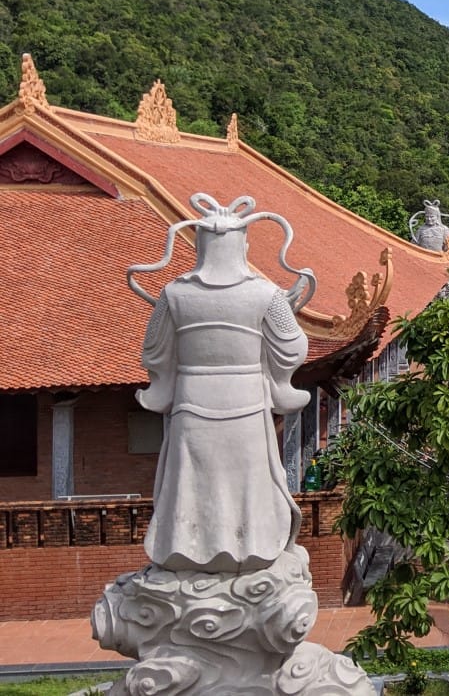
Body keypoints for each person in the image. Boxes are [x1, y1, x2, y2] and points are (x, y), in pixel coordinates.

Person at [128, 193, 316, 573]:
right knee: (248, 481)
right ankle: (253, 547)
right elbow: (293, 349)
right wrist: (286, 316)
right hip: (246, 401)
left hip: (191, 403)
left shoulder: (173, 294)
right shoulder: (265, 294)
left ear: (198, 244)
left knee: (191, 482)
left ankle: (185, 548)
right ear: (244, 245)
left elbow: (154, 351)